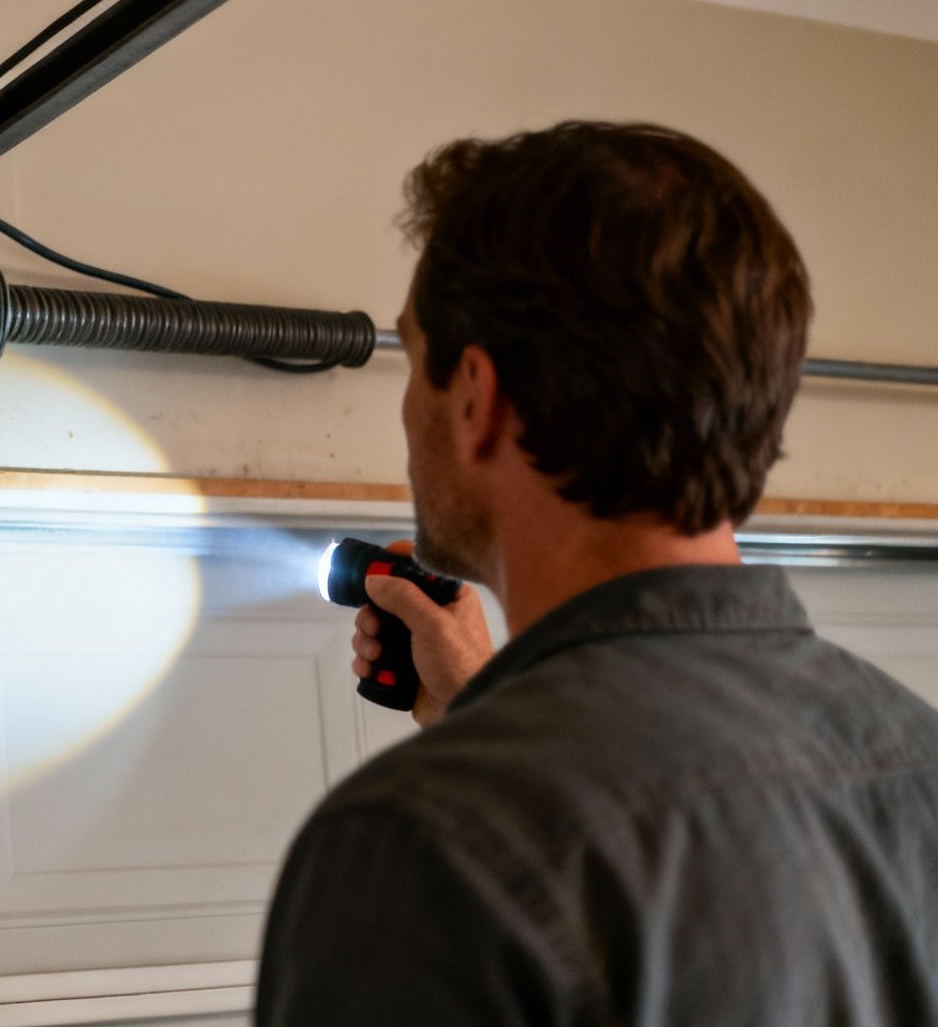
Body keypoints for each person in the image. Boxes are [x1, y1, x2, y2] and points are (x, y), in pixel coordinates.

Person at [254, 121, 938, 1025]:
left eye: (414, 360)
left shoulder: (423, 843)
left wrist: (494, 751)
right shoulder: (918, 767)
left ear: (476, 397)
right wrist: (484, 707)